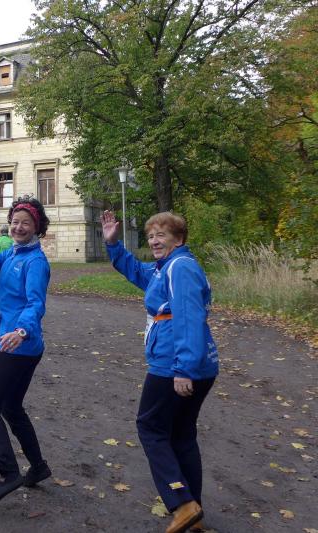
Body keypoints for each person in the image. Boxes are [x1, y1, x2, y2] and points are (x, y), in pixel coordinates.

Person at [101, 210, 219, 533]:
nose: (154, 240)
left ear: (178, 239)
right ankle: (194, 512)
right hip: (187, 363)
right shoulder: (165, 267)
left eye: (161, 235)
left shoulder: (180, 268)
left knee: (150, 427)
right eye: (151, 235)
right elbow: (136, 271)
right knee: (181, 434)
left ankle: (181, 503)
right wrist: (113, 244)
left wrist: (184, 368)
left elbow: (188, 317)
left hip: (174, 364)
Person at [0, 195, 52, 506]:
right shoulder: (12, 253)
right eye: (15, 222)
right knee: (11, 408)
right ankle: (38, 467)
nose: (18, 227)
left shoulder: (36, 262)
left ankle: (8, 473)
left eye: (25, 223)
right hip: (19, 343)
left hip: (19, 343)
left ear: (37, 227)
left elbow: (35, 303)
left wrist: (21, 331)